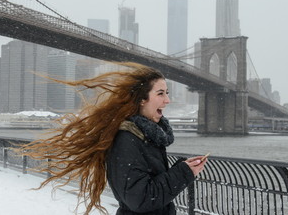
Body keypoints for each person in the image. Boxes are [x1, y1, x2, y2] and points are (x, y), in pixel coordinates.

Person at [17, 62, 207, 215]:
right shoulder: (127, 139)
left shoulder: (147, 136)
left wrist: (183, 169)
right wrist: (182, 174)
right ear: (142, 100)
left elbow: (148, 186)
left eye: (167, 93)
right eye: (160, 94)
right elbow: (139, 199)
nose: (167, 100)